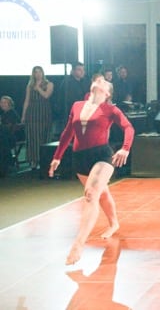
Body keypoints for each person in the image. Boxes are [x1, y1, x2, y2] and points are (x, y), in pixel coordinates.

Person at [49, 74, 134, 265]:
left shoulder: (110, 109)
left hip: (101, 155)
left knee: (91, 194)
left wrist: (125, 148)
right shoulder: (77, 105)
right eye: (98, 79)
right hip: (80, 158)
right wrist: (57, 157)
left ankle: (78, 244)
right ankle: (114, 223)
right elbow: (68, 132)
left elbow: (128, 128)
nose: (100, 80)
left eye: (104, 81)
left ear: (107, 93)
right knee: (102, 194)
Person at [21, 66, 54, 169]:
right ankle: (33, 160)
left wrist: (38, 88)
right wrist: (23, 115)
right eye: (35, 72)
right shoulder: (29, 86)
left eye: (39, 72)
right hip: (32, 113)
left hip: (44, 112)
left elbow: (46, 95)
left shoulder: (49, 84)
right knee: (32, 137)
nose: (38, 74)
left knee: (44, 136)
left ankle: (43, 160)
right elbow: (27, 100)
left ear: (43, 73)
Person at [0, 96, 20, 177]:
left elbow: (10, 128)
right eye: (1, 102)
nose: (2, 104)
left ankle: (6, 164)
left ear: (10, 104)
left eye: (5, 102)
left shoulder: (12, 113)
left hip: (12, 137)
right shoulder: (3, 114)